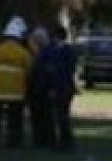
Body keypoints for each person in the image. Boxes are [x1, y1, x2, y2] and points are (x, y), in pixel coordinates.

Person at [0, 17, 32, 148]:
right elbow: (29, 70)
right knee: (14, 120)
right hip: (16, 92)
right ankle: (14, 142)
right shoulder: (23, 52)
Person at [33, 24, 79, 152]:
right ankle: (65, 141)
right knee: (63, 115)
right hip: (66, 88)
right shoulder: (70, 51)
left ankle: (53, 141)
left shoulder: (49, 51)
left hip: (54, 87)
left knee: (52, 116)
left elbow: (43, 69)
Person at [26, 26, 52, 148]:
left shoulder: (40, 55)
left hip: (39, 90)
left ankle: (41, 139)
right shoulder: (47, 53)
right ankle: (44, 139)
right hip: (43, 89)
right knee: (44, 116)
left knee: (39, 116)